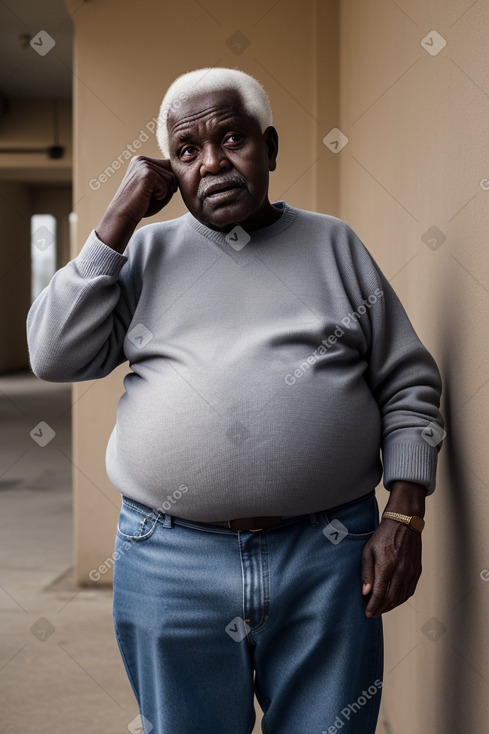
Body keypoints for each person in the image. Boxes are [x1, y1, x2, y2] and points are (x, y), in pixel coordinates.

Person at [26, 67, 444, 734]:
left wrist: (404, 515)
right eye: (187, 150)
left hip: (326, 553)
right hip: (168, 559)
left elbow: (409, 386)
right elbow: (53, 356)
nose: (213, 162)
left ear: (269, 148)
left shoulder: (334, 246)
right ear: (169, 168)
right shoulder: (143, 254)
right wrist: (116, 220)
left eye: (232, 138)